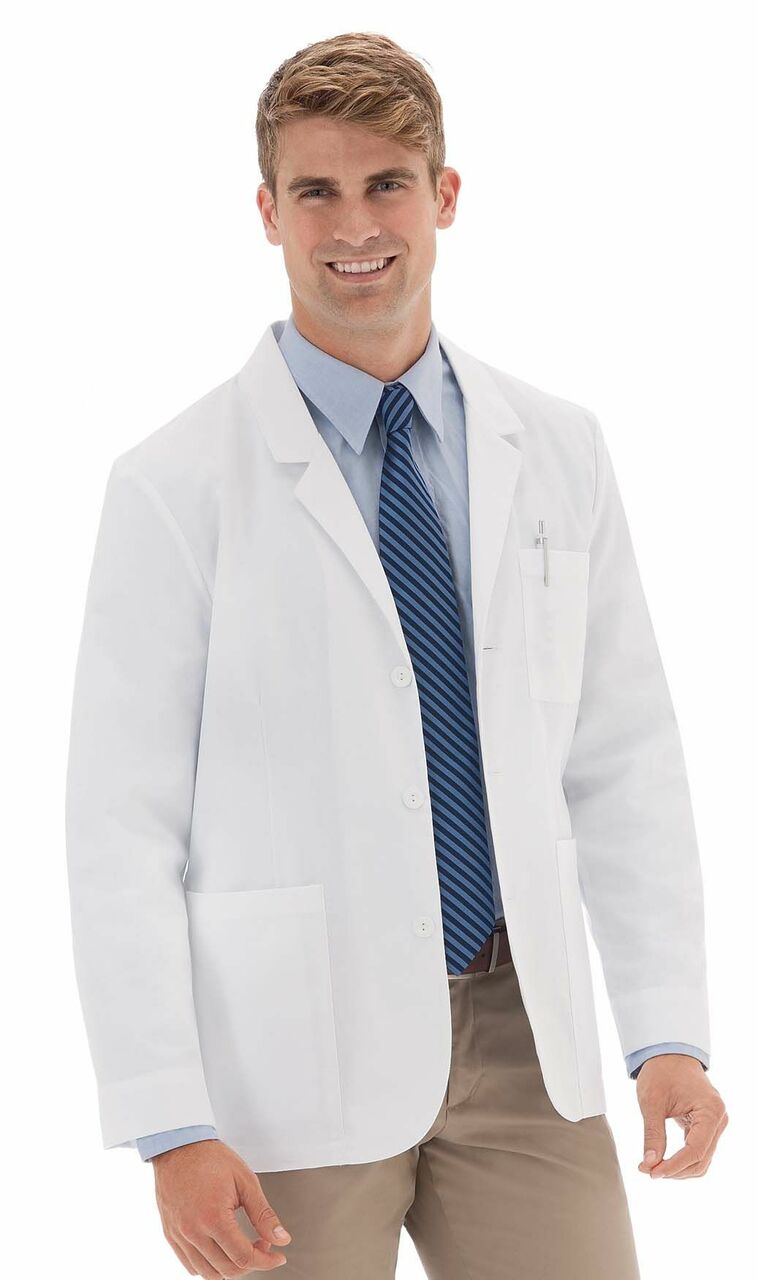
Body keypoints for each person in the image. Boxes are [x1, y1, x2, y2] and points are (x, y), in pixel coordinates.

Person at [65, 30, 728, 1280]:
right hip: (288, 1062)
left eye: (387, 184)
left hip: (524, 1030)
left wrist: (665, 1032)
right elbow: (119, 823)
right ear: (267, 212)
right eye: (315, 190)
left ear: (445, 195)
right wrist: (170, 1119)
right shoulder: (173, 485)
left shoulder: (559, 446)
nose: (355, 225)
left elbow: (622, 757)